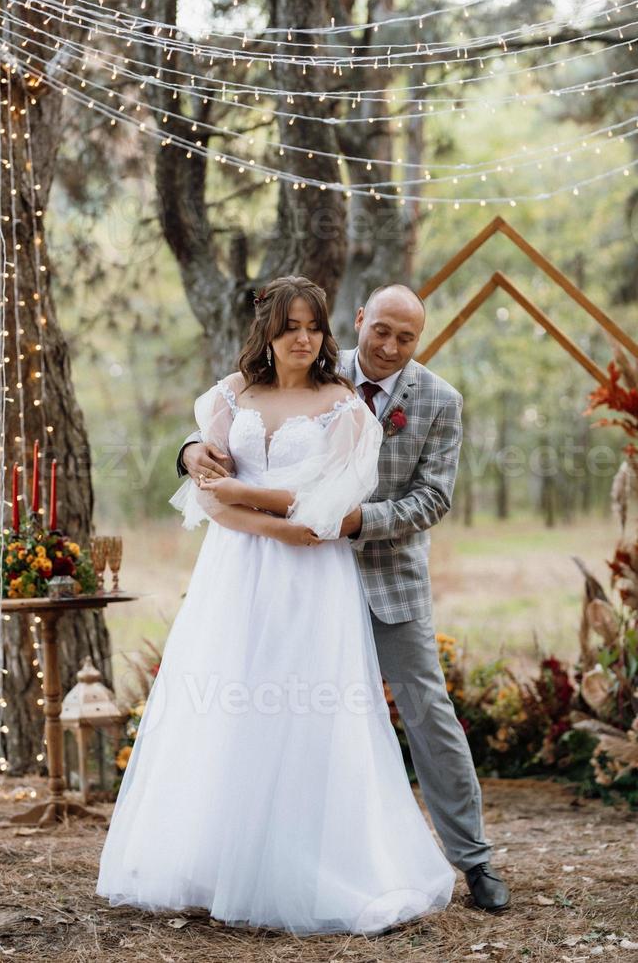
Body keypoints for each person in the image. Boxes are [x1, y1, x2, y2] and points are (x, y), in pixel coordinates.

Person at [96, 276, 456, 935]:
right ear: (268, 330)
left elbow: (325, 509)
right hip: (235, 570)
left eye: (311, 327)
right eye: (289, 325)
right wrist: (247, 509)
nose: (301, 337)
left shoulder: (343, 405)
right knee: (229, 700)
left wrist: (247, 495)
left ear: (325, 333)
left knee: (306, 706)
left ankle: (311, 863)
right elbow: (204, 493)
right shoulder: (231, 396)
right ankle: (217, 860)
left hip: (312, 580)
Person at [178, 282, 511, 914]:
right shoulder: (311, 364)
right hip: (288, 573)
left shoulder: (439, 400)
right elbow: (237, 429)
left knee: (425, 710)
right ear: (359, 321)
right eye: (380, 330)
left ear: (421, 339)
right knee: (282, 707)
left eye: (405, 337)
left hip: (384, 574)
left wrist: (349, 522)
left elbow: (432, 499)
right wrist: (190, 450)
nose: (388, 345)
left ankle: (475, 861)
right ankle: (284, 856)